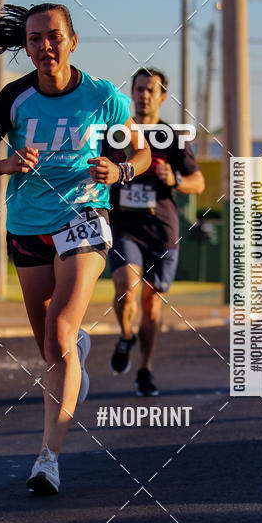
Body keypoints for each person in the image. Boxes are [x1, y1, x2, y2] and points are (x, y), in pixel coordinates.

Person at [0, 3, 151, 494]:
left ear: (72, 41)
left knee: (60, 327)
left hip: (85, 215)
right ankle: (75, 353)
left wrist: (122, 170)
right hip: (27, 225)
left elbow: (142, 151)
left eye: (53, 36)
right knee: (51, 349)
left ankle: (48, 459)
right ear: (25, 47)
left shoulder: (104, 97)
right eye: (34, 39)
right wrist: (6, 166)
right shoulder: (13, 99)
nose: (44, 46)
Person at [105, 67, 205, 396]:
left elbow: (198, 182)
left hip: (161, 230)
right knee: (125, 288)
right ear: (131, 93)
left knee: (151, 305)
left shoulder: (173, 137)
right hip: (124, 226)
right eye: (139, 89)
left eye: (151, 90)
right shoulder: (115, 133)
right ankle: (125, 335)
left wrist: (174, 179)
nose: (144, 95)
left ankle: (144, 369)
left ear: (162, 97)